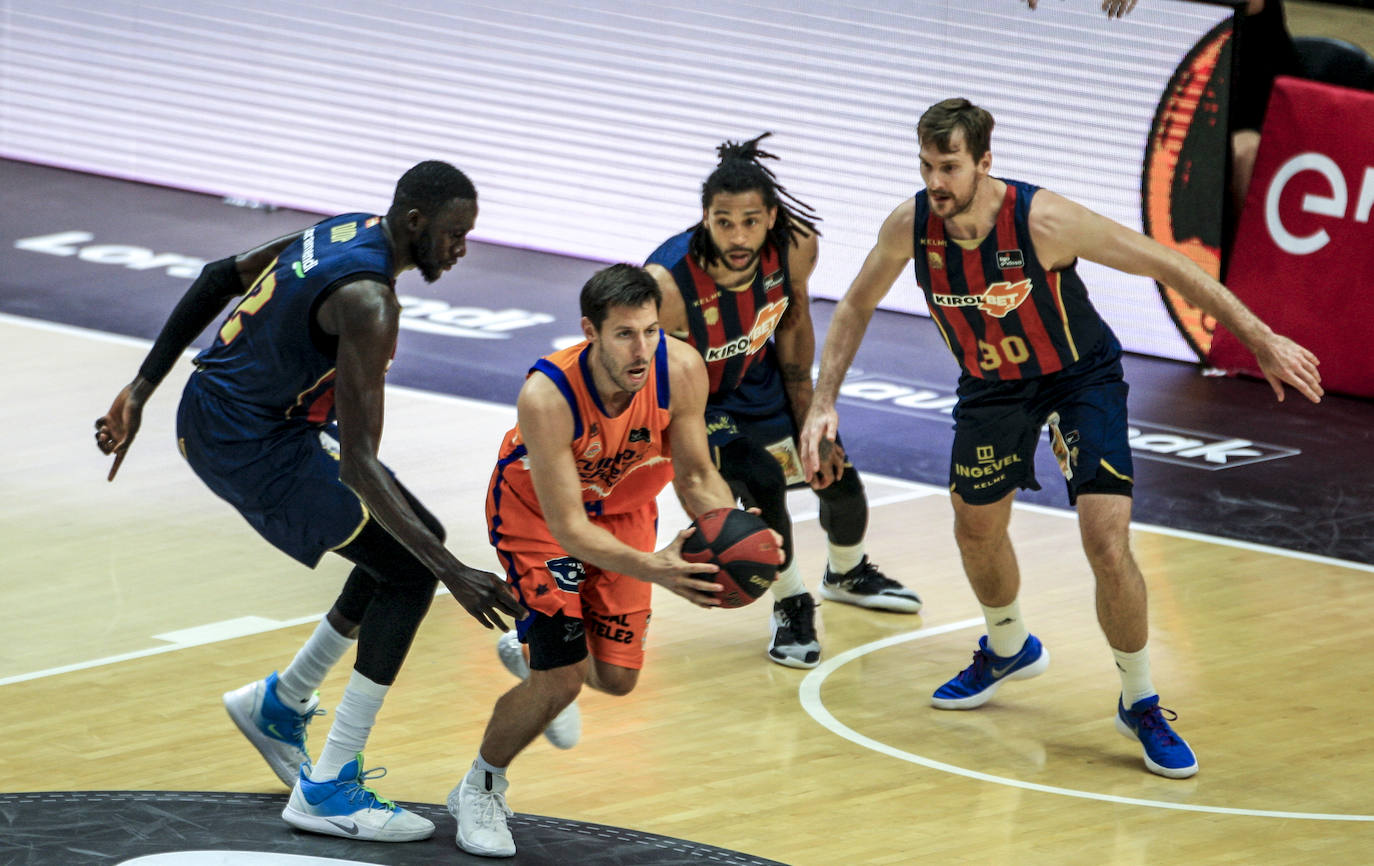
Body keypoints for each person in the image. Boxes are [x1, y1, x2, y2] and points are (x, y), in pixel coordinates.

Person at [799, 98, 1322, 779]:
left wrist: (1258, 336)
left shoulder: (1042, 220)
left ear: (986, 163)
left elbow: (1165, 262)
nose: (935, 182)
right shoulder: (911, 226)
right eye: (926, 165)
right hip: (992, 388)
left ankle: (1140, 700)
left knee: (1106, 539)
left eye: (950, 166)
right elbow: (857, 304)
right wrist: (823, 401)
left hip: (1079, 378)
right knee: (974, 528)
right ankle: (1010, 643)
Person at [93, 160, 524, 842]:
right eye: (454, 233)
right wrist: (452, 572)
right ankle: (328, 787)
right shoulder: (369, 301)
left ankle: (282, 704)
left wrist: (142, 388)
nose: (461, 248)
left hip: (234, 414)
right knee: (411, 570)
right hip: (248, 442)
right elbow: (359, 464)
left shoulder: (347, 228)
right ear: (416, 223)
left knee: (411, 538)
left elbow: (214, 277)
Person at [449, 264, 781, 857]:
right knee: (563, 678)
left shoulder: (679, 371)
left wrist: (731, 530)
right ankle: (480, 785)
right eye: (625, 334)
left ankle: (532, 655)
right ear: (590, 332)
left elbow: (699, 473)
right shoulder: (547, 395)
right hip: (540, 521)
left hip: (627, 510)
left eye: (651, 331)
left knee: (619, 680)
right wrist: (658, 568)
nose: (642, 348)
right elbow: (569, 528)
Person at [643, 134, 922, 671]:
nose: (738, 234)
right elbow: (662, 382)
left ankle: (846, 573)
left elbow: (793, 326)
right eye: (723, 221)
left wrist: (812, 417)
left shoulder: (796, 244)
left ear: (772, 216)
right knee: (763, 480)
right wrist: (696, 459)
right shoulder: (668, 284)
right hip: (698, 400)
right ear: (705, 218)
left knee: (834, 474)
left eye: (750, 220)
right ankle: (792, 601)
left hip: (757, 378)